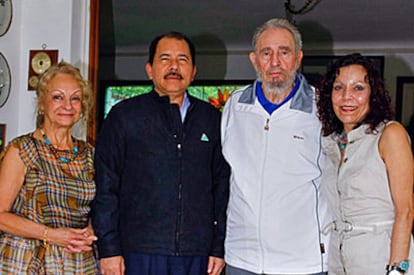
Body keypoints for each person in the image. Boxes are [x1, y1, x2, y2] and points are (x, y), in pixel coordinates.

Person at [91, 31, 230, 275]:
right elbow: (105, 186)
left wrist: (218, 246)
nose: (174, 66)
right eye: (165, 59)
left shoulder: (212, 120)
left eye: (182, 59)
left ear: (194, 71)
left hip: (197, 255)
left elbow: (222, 186)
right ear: (150, 69)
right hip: (137, 252)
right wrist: (109, 248)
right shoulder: (124, 116)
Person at [221, 18, 330, 275]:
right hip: (242, 258)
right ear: (254, 59)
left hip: (304, 262)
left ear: (298, 58)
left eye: (284, 52)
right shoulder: (235, 106)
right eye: (266, 53)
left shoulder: (322, 108)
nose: (275, 62)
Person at [317, 53, 414, 274]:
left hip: (380, 258)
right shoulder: (330, 143)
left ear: (373, 94)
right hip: (337, 259)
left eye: (358, 88)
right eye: (339, 87)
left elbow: (405, 212)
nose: (346, 97)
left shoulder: (390, 134)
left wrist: (398, 270)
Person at [0, 61, 98, 273]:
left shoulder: (89, 155)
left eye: (75, 98)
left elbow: (100, 208)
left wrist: (90, 231)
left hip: (78, 264)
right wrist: (51, 235)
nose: (68, 105)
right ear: (42, 104)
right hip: (26, 262)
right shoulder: (22, 150)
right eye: (58, 97)